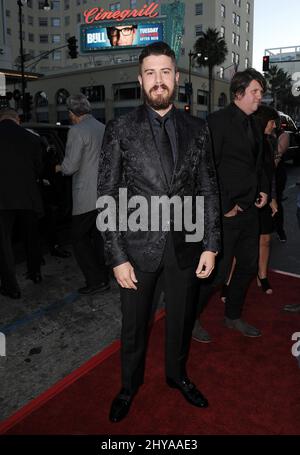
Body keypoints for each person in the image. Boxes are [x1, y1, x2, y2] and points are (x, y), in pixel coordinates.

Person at [97, 42, 220, 423]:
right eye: (150, 73)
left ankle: (177, 375)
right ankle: (129, 386)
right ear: (140, 80)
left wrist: (211, 244)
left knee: (181, 319)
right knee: (134, 325)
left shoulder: (198, 129)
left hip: (185, 245)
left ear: (177, 78)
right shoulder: (120, 128)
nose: (158, 80)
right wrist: (116, 255)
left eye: (165, 72)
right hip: (136, 248)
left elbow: (208, 187)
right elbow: (107, 193)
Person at [193, 68, 269, 343]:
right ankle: (189, 320)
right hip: (225, 213)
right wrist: (225, 205)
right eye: (255, 92)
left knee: (249, 266)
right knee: (216, 275)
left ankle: (232, 315)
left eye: (260, 91)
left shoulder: (256, 123)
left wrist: (264, 190)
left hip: (250, 211)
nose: (260, 97)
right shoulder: (216, 122)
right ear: (238, 93)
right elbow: (207, 167)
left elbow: (258, 164)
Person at [56, 94, 109, 295]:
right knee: (98, 239)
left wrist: (58, 166)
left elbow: (70, 167)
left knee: (78, 239)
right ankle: (103, 276)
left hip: (85, 196)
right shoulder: (102, 128)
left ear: (72, 113)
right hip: (103, 193)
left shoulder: (76, 131)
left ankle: (95, 280)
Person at [0, 108, 44, 299]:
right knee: (31, 236)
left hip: (2, 200)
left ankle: (12, 287)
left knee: (4, 243)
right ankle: (35, 273)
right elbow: (39, 170)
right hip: (28, 197)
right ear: (17, 119)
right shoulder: (32, 139)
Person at [254, 105, 279, 294]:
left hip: (265, 198)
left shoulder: (270, 142)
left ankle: (262, 276)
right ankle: (229, 282)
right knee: (240, 244)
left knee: (265, 240)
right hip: (248, 198)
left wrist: (273, 198)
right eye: (272, 122)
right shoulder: (249, 141)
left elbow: (271, 174)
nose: (274, 126)